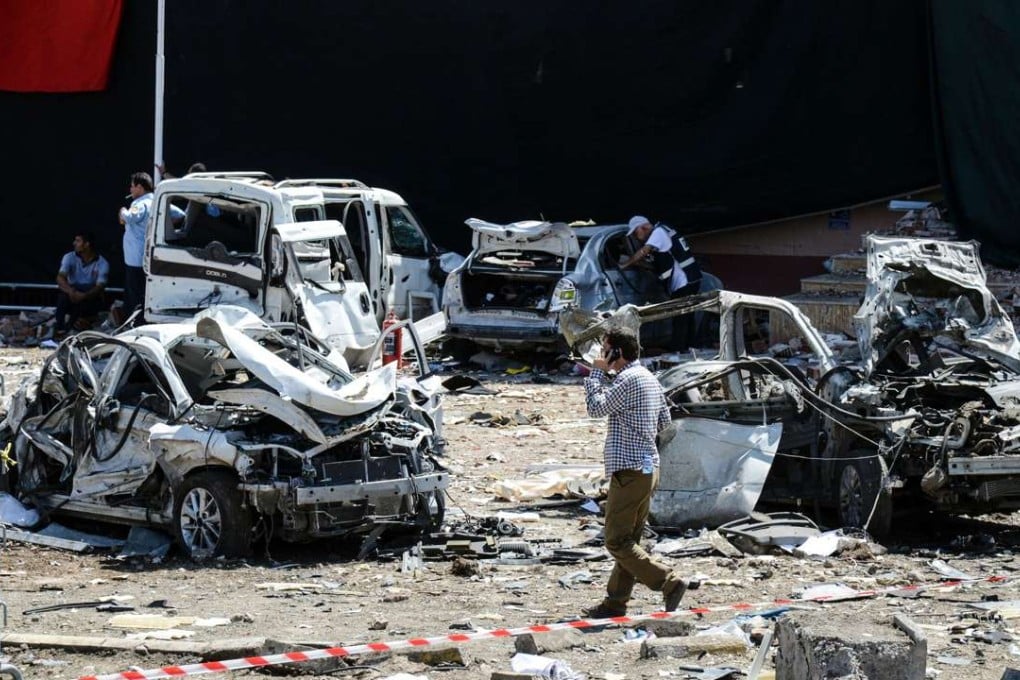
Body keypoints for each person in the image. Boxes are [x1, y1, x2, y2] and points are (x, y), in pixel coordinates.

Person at [581, 327, 693, 618]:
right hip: (648, 467)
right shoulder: (649, 378)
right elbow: (663, 423)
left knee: (616, 540)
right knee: (630, 540)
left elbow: (595, 408)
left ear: (616, 352)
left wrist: (595, 373)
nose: (601, 354)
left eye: (605, 349)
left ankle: (668, 582)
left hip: (630, 470)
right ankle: (615, 602)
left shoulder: (628, 379)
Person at [621, 215, 703, 349]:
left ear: (644, 227)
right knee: (687, 316)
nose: (636, 237)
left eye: (636, 232)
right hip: (691, 278)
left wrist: (625, 264)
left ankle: (679, 350)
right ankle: (690, 347)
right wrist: (640, 265)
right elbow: (659, 263)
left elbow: (643, 251)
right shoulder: (664, 230)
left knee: (680, 317)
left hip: (684, 281)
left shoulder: (658, 232)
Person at [54, 231, 110, 336]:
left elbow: (100, 286)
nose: (74, 243)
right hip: (73, 292)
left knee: (85, 303)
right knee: (63, 298)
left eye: (78, 241)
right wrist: (71, 291)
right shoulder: (69, 257)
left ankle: (70, 329)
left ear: (87, 244)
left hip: (90, 295)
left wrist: (85, 295)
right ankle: (59, 327)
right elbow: (60, 277)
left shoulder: (102, 262)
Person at [118, 171, 155, 322]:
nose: (130, 190)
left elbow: (129, 217)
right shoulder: (156, 201)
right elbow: (178, 215)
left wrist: (122, 211)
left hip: (135, 259)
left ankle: (136, 324)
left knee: (136, 295)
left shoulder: (139, 204)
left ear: (140, 187)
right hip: (148, 257)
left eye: (132, 186)